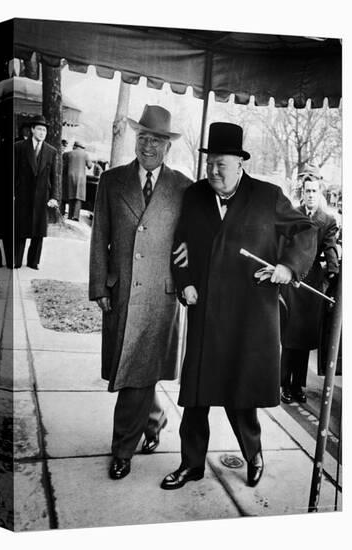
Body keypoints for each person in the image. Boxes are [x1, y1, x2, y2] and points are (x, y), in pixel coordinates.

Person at [161, 122, 316, 490]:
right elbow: (181, 244)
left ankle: (254, 454)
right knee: (196, 395)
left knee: (240, 391)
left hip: (249, 313)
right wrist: (186, 284)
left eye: (222, 165)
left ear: (240, 164)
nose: (214, 171)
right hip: (206, 310)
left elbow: (305, 230)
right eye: (210, 163)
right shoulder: (195, 195)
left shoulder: (267, 195)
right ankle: (191, 464)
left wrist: (287, 267)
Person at [89, 105, 191, 480]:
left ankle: (122, 450)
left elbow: (194, 237)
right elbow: (99, 236)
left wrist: (189, 262)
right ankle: (155, 417)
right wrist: (99, 285)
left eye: (157, 140)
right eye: (143, 137)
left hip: (161, 298)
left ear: (168, 147)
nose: (148, 145)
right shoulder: (112, 181)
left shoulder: (183, 187)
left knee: (136, 374)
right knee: (134, 371)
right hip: (121, 293)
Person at [280, 168, 339, 404]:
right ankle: (284, 384)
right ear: (302, 194)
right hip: (293, 281)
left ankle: (297, 386)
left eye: (315, 191)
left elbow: (330, 247)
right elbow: (282, 244)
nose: (311, 195)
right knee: (290, 338)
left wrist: (333, 273)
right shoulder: (292, 215)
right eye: (307, 191)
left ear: (320, 192)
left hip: (312, 283)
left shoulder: (327, 220)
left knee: (304, 339)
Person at [14, 115, 59, 269]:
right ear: (32, 130)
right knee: (20, 228)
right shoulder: (19, 147)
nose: (42, 132)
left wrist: (54, 197)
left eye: (44, 130)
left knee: (38, 231)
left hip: (42, 197)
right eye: (39, 129)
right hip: (23, 194)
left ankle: (33, 262)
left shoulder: (51, 151)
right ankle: (16, 260)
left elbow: (55, 176)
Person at [62, 140, 92, 221]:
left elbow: (64, 167)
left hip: (70, 176)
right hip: (81, 178)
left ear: (75, 146)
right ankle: (76, 216)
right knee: (78, 196)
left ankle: (69, 215)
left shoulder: (68, 154)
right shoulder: (85, 154)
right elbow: (90, 166)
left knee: (71, 195)